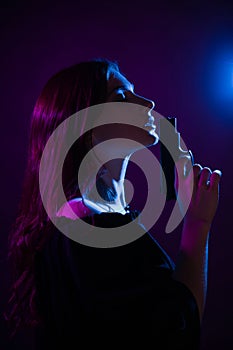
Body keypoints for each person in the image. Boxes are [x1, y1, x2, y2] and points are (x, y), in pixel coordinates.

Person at [5, 58, 222, 349]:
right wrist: (198, 223)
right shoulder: (87, 225)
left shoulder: (91, 222)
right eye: (121, 97)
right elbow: (177, 330)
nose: (148, 102)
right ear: (85, 126)